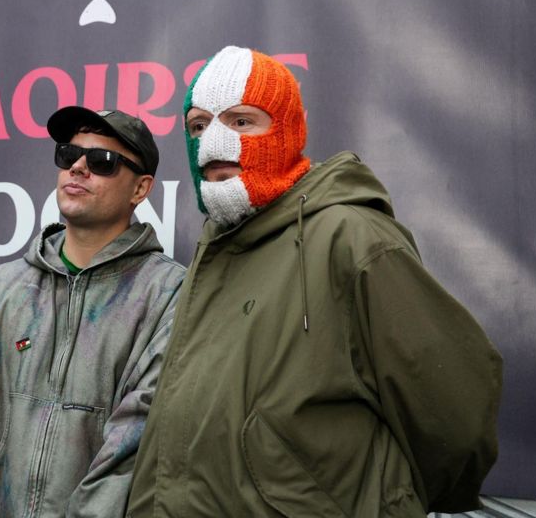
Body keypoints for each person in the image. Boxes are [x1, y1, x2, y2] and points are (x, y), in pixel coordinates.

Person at [127, 46, 503, 517]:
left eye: (242, 122)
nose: (213, 144)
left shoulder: (351, 236)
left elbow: (454, 415)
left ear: (286, 131)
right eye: (199, 126)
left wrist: (387, 501)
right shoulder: (215, 243)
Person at [0, 107, 186, 517]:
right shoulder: (3, 287)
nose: (79, 168)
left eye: (102, 161)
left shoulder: (170, 295)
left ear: (140, 189)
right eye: (69, 155)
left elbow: (136, 449)